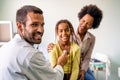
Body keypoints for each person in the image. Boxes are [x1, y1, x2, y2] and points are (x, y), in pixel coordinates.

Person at [0, 5, 69, 80]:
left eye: (42, 25)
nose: (41, 30)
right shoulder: (31, 55)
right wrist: (61, 63)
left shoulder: (4, 48)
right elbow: (55, 78)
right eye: (34, 24)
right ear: (20, 27)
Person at [47, 4, 103, 80]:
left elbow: (87, 57)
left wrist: (83, 71)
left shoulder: (92, 39)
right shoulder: (69, 33)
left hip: (83, 66)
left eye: (88, 24)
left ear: (92, 26)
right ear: (80, 18)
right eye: (83, 21)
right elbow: (60, 42)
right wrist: (51, 45)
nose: (84, 25)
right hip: (70, 65)